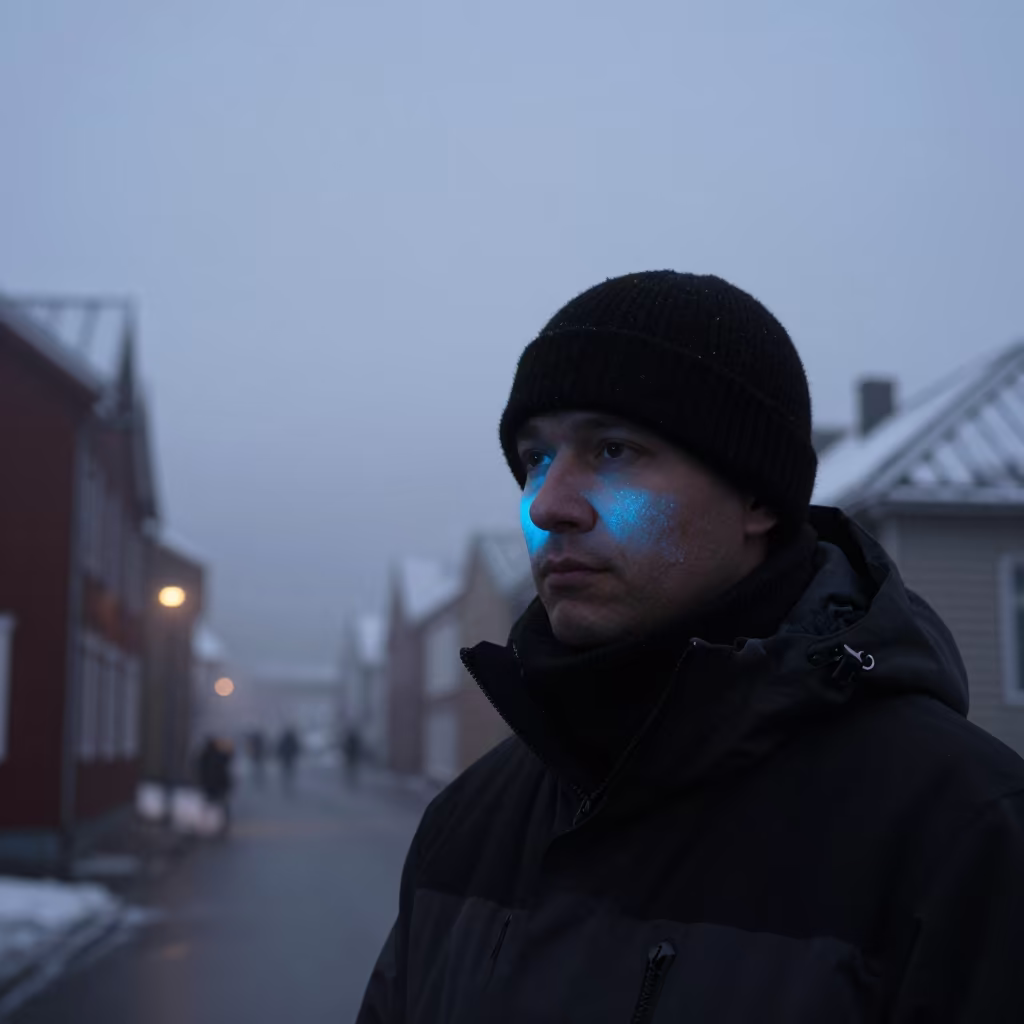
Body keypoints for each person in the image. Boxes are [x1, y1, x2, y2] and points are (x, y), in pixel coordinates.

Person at [357, 271, 1024, 1023]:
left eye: (612, 450)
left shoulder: (966, 838)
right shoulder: (467, 826)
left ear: (759, 499)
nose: (547, 504)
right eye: (536, 457)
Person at [197, 735, 234, 836]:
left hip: (210, 786)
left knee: (211, 806)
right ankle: (220, 825)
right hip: (218, 786)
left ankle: (207, 824)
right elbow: (228, 759)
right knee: (219, 806)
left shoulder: (204, 756)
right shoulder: (216, 756)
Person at [277, 727, 300, 791]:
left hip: (286, 755)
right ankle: (289, 776)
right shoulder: (292, 738)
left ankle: (287, 777)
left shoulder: (284, 739)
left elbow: (280, 747)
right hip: (289, 755)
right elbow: (296, 746)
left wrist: (279, 754)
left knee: (286, 766)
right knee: (289, 766)